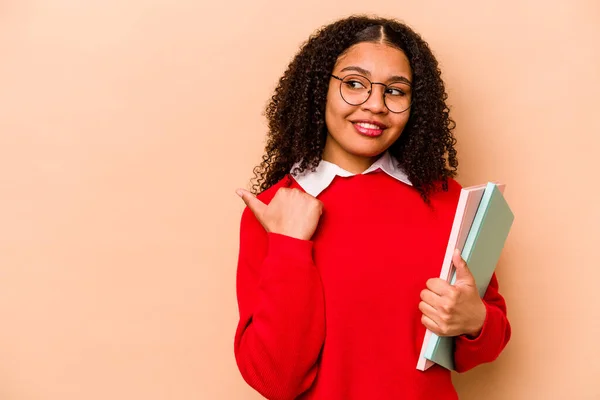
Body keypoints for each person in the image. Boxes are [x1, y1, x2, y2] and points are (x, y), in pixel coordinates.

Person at [233, 15, 511, 400]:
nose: (375, 105)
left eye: (395, 91)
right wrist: (288, 245)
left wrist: (475, 320)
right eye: (353, 84)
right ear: (319, 90)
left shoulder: (448, 200)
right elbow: (276, 381)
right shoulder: (273, 211)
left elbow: (490, 336)